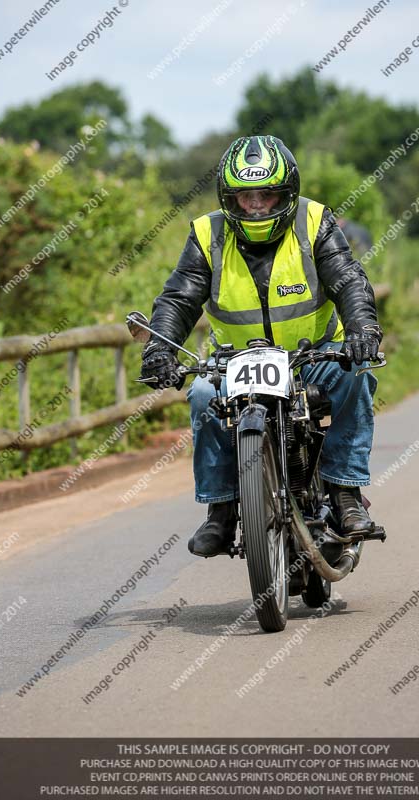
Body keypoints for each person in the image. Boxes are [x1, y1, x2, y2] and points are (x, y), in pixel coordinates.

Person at [140, 134, 383, 558]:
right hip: (234, 363)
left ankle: (344, 490)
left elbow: (348, 280)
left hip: (313, 356)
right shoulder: (207, 233)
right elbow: (180, 298)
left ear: (285, 194)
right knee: (200, 394)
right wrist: (160, 349)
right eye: (244, 196)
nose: (255, 205)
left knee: (356, 376)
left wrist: (362, 328)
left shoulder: (314, 221)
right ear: (227, 198)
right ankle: (221, 509)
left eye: (266, 195)